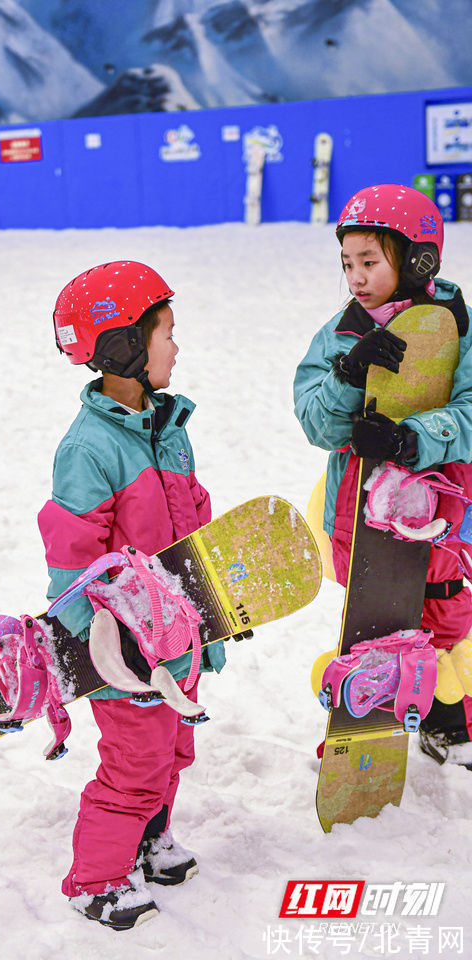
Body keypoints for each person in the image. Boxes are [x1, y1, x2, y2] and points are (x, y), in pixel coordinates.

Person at [38, 261, 225, 929]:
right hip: (127, 656)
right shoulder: (88, 450)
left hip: (177, 644)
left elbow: (189, 533)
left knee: (173, 750)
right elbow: (73, 568)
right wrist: (106, 653)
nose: (176, 345)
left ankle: (149, 838)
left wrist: (209, 625)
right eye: (165, 332)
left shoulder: (167, 429)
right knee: (134, 764)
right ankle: (96, 879)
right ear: (122, 347)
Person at [293, 183, 472, 767]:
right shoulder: (340, 332)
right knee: (378, 622)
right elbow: (317, 424)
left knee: (447, 611)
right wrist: (350, 372)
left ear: (418, 258)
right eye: (347, 263)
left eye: (370, 261)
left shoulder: (460, 328)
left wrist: (411, 438)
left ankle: (451, 721)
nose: (356, 277)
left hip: (440, 514)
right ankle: (361, 730)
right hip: (361, 516)